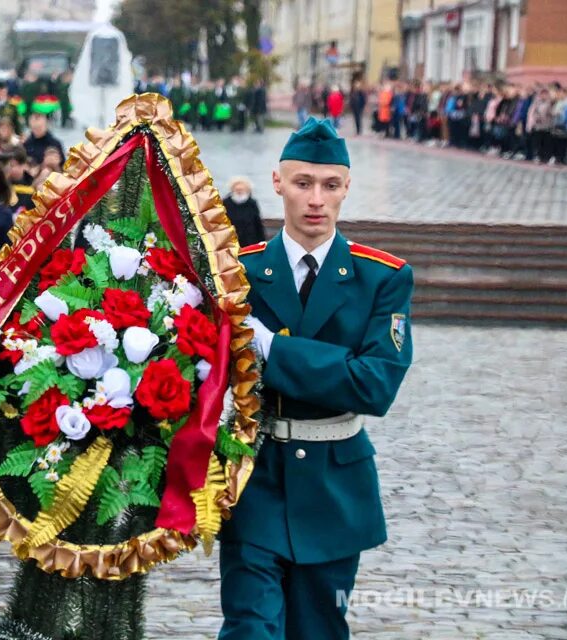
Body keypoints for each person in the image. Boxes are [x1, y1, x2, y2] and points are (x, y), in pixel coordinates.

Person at [219, 117, 413, 640]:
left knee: (318, 629)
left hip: (334, 484)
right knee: (249, 626)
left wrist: (271, 347)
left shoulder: (382, 277)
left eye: (330, 185)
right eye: (303, 183)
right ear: (278, 182)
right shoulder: (238, 273)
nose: (316, 200)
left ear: (347, 187)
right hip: (255, 478)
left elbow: (375, 384)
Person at [222, 177, 266, 246]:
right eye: (237, 189)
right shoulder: (226, 203)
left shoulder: (252, 203)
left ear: (247, 190)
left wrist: (262, 242)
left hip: (250, 241)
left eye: (242, 190)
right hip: (230, 241)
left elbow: (258, 224)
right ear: (232, 190)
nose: (239, 191)